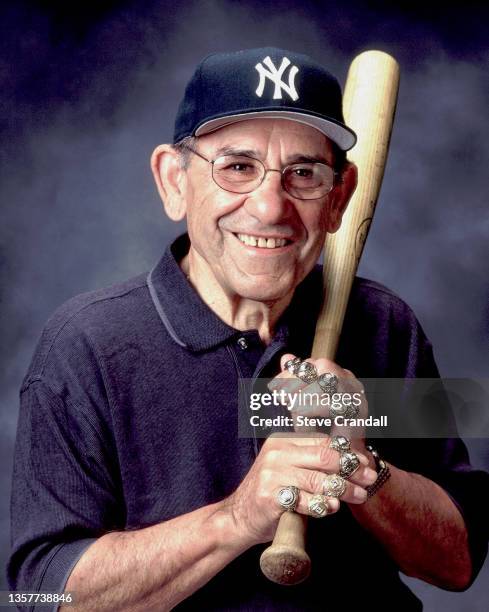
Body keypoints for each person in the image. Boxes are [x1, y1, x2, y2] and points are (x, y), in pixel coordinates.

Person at [8, 47, 488, 611]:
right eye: (237, 166)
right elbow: (37, 595)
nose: (268, 207)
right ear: (173, 180)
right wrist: (237, 518)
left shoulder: (384, 324)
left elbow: (457, 563)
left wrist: (360, 466)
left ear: (339, 198)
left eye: (303, 174)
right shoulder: (87, 347)